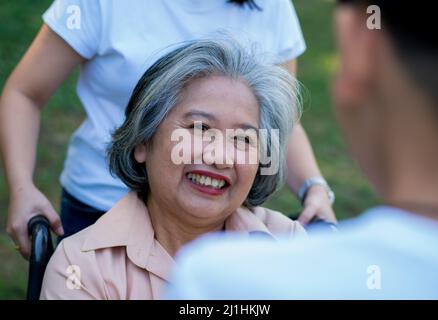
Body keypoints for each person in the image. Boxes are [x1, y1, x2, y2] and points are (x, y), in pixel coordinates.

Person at [0, 0, 335, 260]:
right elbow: (24, 93)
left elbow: (281, 121)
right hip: (100, 208)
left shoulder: (270, 7)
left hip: (215, 215)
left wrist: (313, 186)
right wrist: (21, 188)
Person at [165, 0, 438, 299]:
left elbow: (285, 124)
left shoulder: (220, 282)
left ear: (358, 48)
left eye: (244, 138)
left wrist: (313, 187)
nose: (217, 154)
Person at [40, 38, 306, 299]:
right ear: (143, 140)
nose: (219, 157)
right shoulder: (80, 267)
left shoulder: (289, 245)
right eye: (199, 128)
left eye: (243, 139)